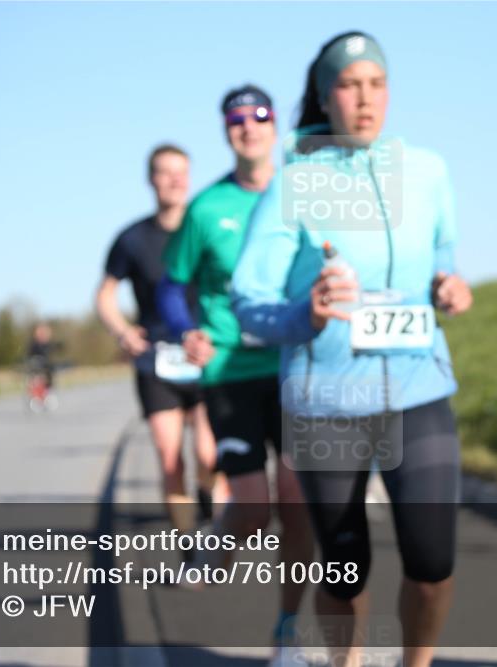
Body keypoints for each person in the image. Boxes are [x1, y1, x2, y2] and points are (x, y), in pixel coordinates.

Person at [230, 33, 472, 667]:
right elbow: (247, 297)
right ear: (325, 95)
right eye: (348, 85)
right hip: (326, 401)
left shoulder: (427, 171)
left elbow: (443, 252)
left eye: (376, 84)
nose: (364, 99)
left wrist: (448, 284)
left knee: (432, 561)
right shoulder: (297, 182)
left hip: (418, 388)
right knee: (344, 567)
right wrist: (301, 315)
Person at [156, 85, 314, 667]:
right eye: (236, 119)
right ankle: (215, 546)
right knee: (252, 508)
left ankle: (287, 634)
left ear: (276, 126)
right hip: (228, 372)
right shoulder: (205, 209)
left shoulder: (303, 194)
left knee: (298, 501)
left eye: (260, 116)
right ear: (226, 132)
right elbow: (172, 287)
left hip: (294, 368)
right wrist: (186, 330)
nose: (249, 126)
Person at [97, 144, 221, 542]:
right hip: (157, 363)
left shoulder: (205, 228)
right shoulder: (132, 239)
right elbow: (104, 295)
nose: (175, 180)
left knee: (208, 454)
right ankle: (189, 550)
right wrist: (122, 331)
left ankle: (207, 493)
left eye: (181, 172)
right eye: (166, 172)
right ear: (151, 179)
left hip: (204, 358)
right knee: (170, 461)